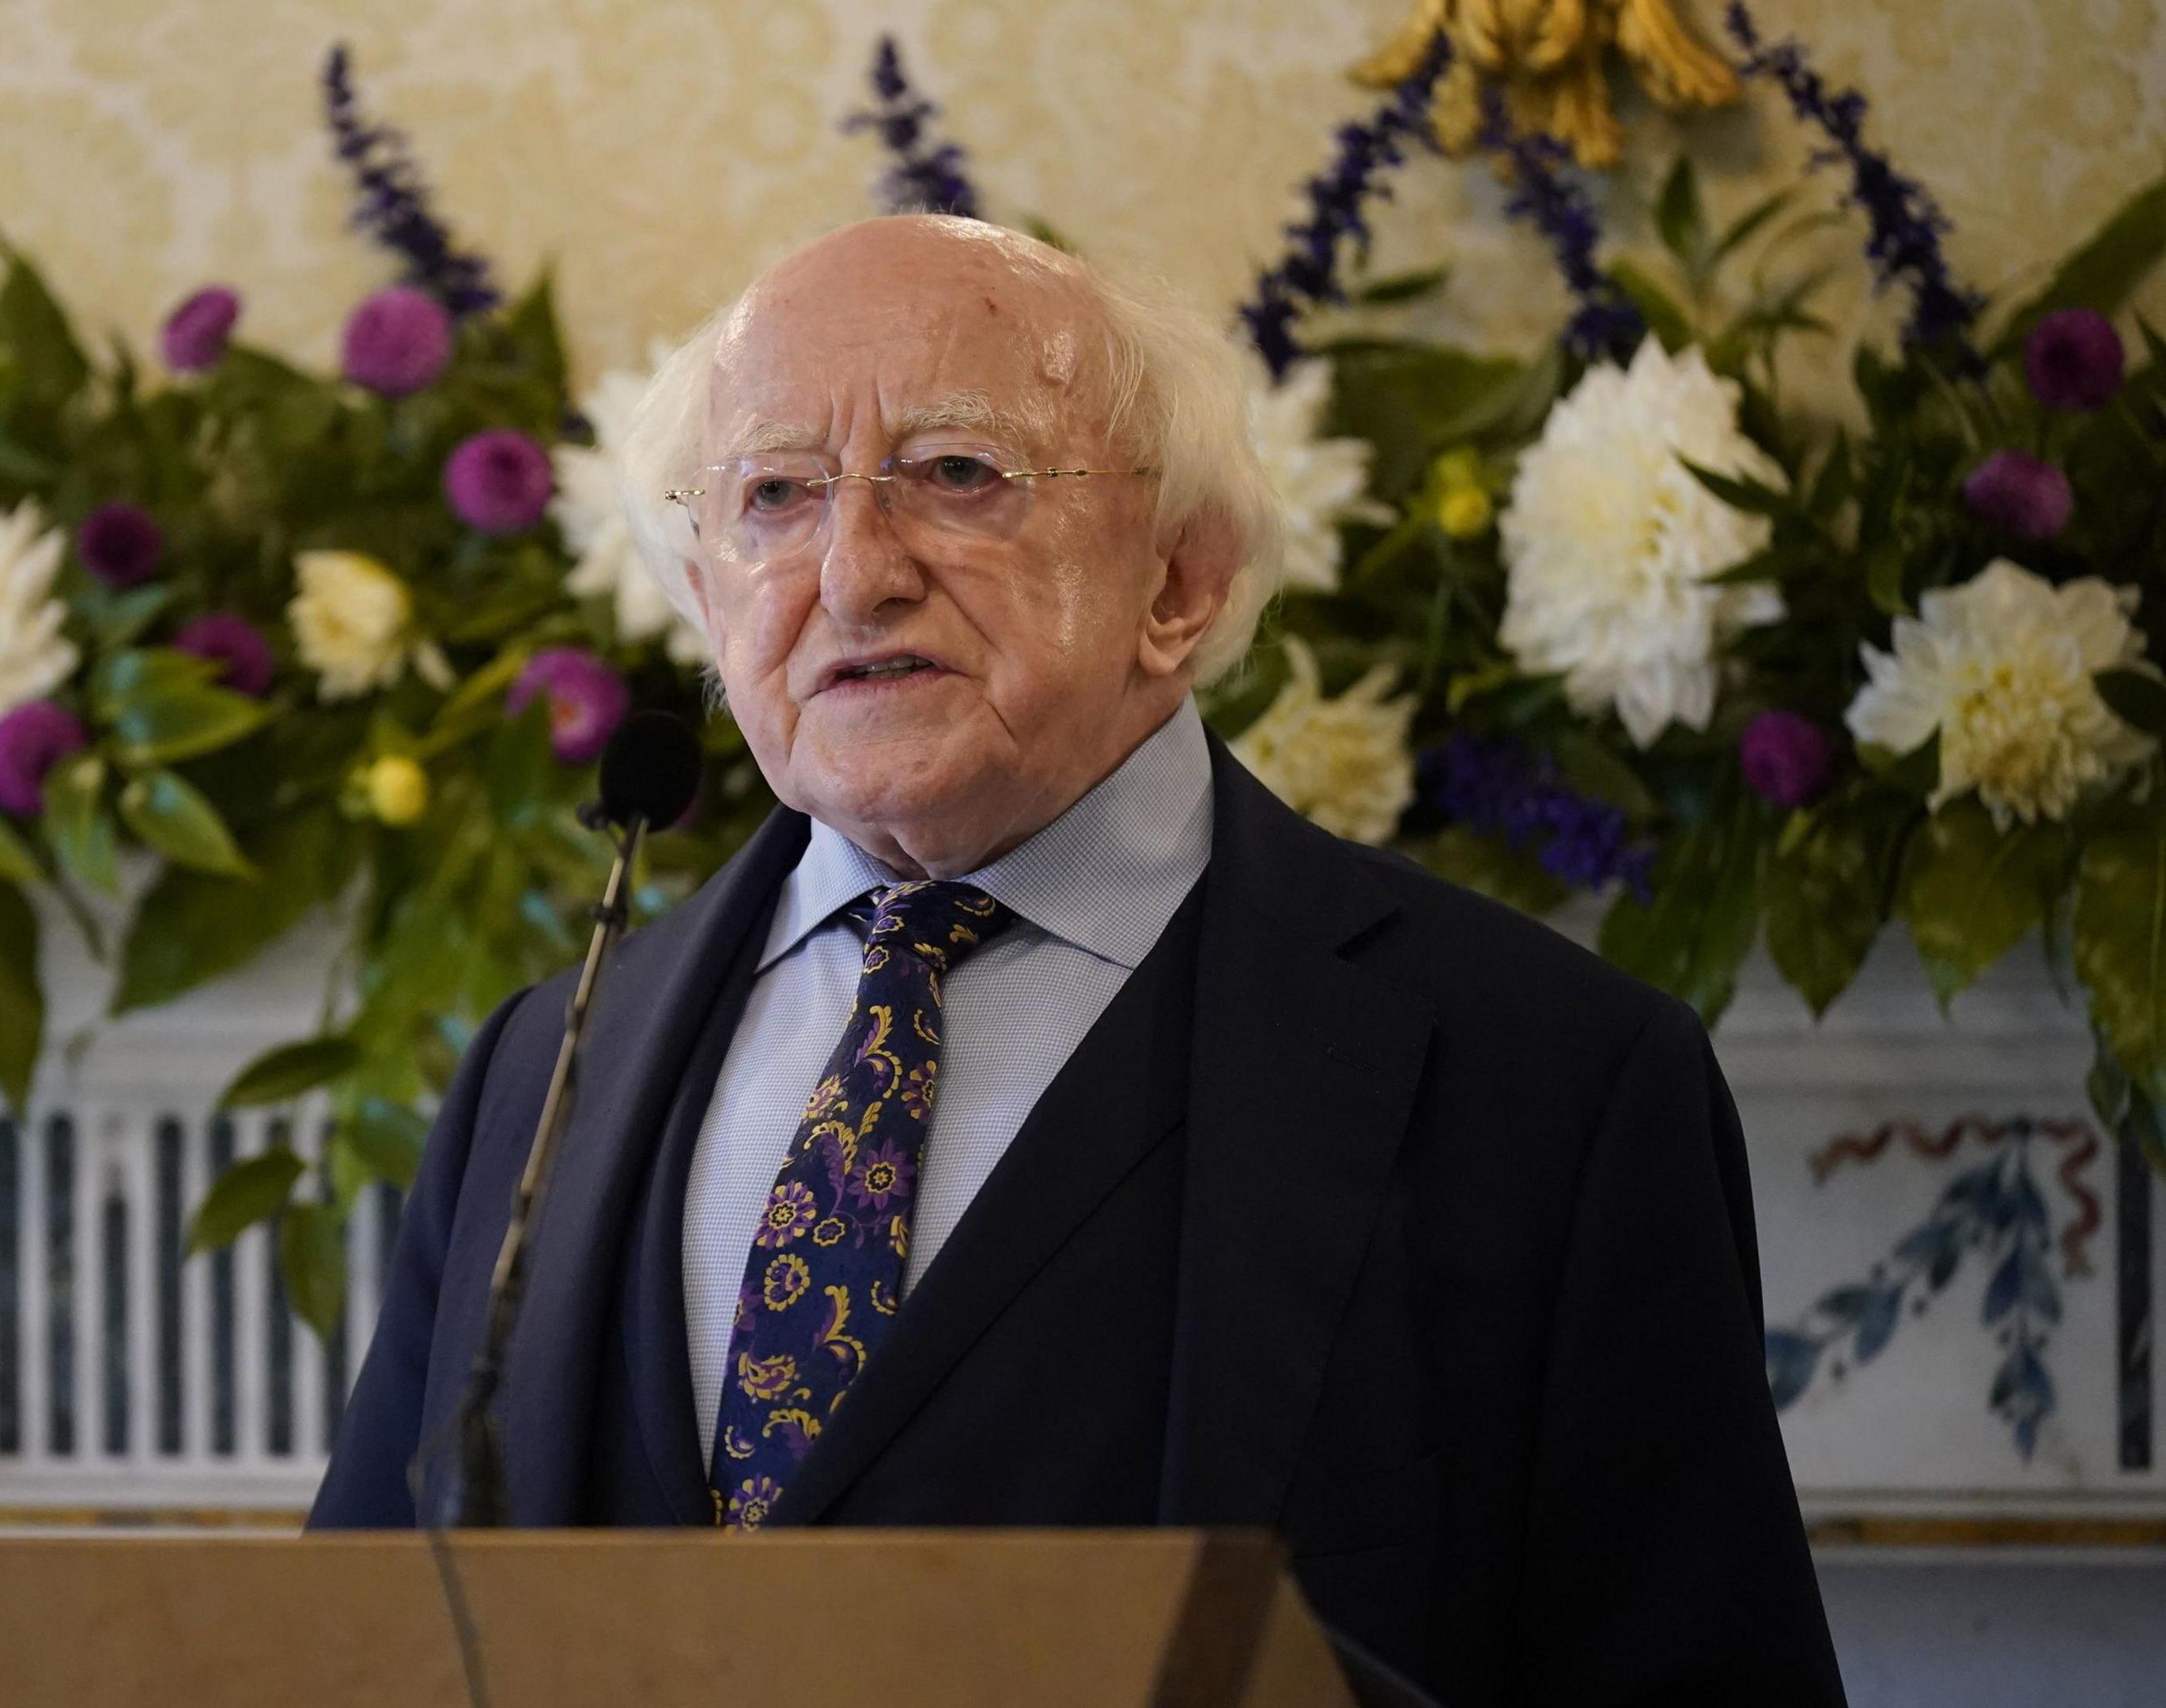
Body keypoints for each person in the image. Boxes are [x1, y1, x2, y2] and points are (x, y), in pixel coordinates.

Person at [309, 215, 1845, 1706]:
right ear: (709, 604)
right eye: (774, 495)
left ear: (1180, 581)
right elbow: (365, 1637)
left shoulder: (1554, 1083)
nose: (853, 572)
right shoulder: (546, 1058)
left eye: (957, 474)